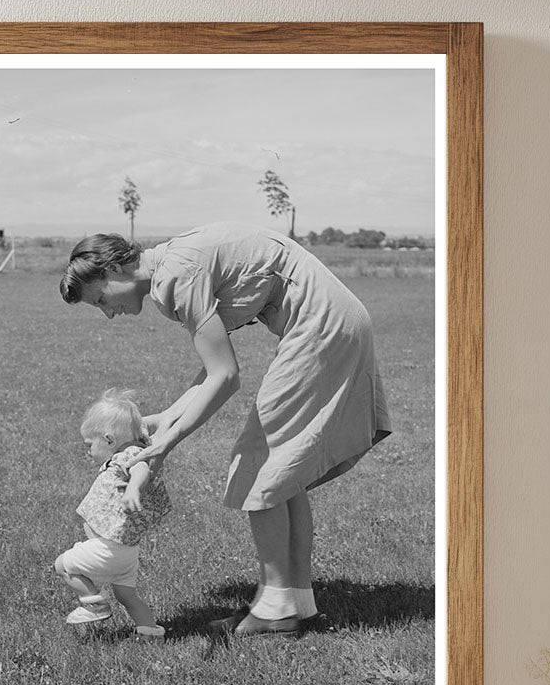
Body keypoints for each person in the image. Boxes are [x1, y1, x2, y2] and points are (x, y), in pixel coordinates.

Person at [59, 221, 392, 637]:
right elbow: (212, 369)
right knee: (282, 468)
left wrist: (165, 444)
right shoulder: (173, 263)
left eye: (101, 300)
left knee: (259, 463)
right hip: (333, 321)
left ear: (114, 270)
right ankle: (296, 602)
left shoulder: (177, 276)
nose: (109, 313)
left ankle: (275, 608)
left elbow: (226, 376)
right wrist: (169, 415)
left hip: (320, 328)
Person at [54, 389, 171, 639]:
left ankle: (94, 604)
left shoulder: (129, 454)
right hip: (127, 552)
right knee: (127, 596)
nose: (88, 452)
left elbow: (140, 467)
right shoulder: (133, 449)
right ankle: (150, 631)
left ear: (108, 439)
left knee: (63, 565)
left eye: (89, 445)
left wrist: (134, 488)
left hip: (109, 549)